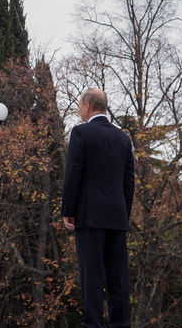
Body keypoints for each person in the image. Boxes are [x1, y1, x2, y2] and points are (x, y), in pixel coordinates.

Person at [61, 88, 134, 328]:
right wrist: (123, 214)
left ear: (87, 105)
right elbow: (128, 182)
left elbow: (73, 174)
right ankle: (121, 324)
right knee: (118, 277)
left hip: (89, 215)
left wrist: (68, 210)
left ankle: (93, 324)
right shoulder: (123, 138)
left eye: (80, 105)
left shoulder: (81, 132)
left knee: (91, 275)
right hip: (117, 217)